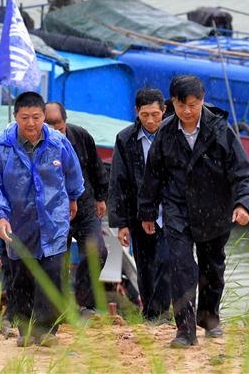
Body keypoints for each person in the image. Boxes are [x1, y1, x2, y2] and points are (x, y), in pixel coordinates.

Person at [138, 75, 249, 348]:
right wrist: (146, 212)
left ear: (202, 101)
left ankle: (209, 317)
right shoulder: (166, 134)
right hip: (177, 208)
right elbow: (152, 176)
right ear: (173, 105)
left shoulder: (220, 131)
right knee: (180, 265)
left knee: (212, 266)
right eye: (182, 106)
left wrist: (243, 204)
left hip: (215, 208)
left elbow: (244, 173)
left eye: (193, 105)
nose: (188, 112)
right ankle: (185, 330)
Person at [0, 91, 84, 347]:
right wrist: (0, 216)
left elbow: (73, 173)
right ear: (16, 116)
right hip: (18, 221)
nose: (31, 123)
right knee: (22, 274)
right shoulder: (2, 149)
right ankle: (25, 327)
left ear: (43, 116)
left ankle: (46, 329)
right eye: (25, 117)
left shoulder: (58, 143)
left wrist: (73, 198)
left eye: (36, 117)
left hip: (54, 217)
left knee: (51, 270)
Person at [108, 87, 171, 321]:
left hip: (170, 210)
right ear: (136, 112)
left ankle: (162, 311)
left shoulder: (173, 134)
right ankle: (150, 313)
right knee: (145, 265)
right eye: (145, 115)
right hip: (138, 211)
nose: (151, 120)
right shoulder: (125, 139)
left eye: (155, 114)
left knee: (167, 259)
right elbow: (118, 181)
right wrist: (121, 223)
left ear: (164, 110)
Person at [43, 101, 108, 315]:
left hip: (85, 204)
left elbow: (96, 167)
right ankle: (59, 308)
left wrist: (101, 197)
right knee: (55, 260)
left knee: (96, 251)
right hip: (52, 211)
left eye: (59, 127)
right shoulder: (35, 143)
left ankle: (86, 304)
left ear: (65, 121)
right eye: (49, 127)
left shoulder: (80, 136)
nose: (55, 132)